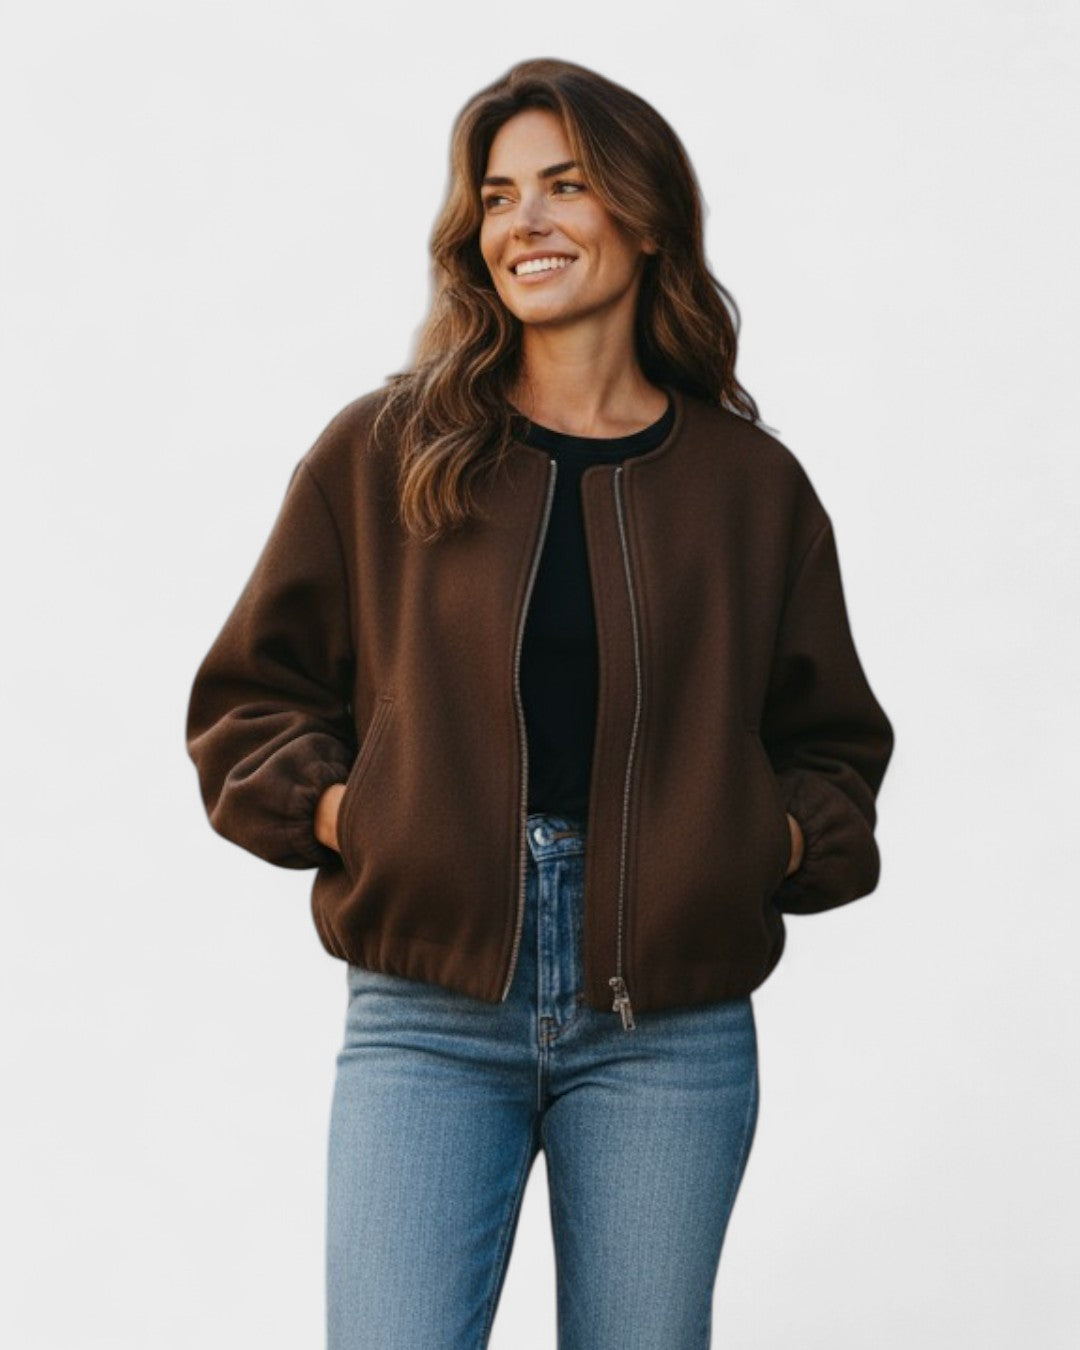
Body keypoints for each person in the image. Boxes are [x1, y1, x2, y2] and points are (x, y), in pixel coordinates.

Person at [186, 56, 895, 1350]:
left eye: (565, 185)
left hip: (667, 1027)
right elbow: (250, 702)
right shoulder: (386, 451)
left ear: (645, 215)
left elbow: (833, 747)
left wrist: (760, 838)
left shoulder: (751, 488)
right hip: (427, 1009)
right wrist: (363, 815)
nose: (527, 221)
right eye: (500, 196)